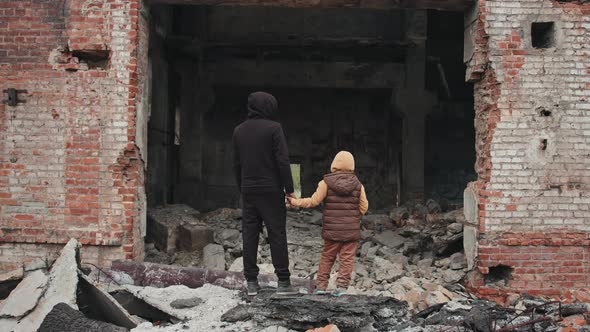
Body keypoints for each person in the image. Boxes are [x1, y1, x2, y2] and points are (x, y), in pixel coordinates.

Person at [233, 91, 298, 296]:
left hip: (248, 191)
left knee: (250, 235)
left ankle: (251, 283)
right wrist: (289, 189)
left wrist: (242, 187)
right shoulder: (274, 128)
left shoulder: (239, 131)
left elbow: (236, 164)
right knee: (277, 234)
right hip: (271, 191)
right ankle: (284, 283)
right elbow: (282, 161)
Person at [288, 151, 368, 296]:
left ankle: (321, 287)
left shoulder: (325, 183)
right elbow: (364, 207)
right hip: (351, 231)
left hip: (332, 230)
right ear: (352, 166)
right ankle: (342, 288)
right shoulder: (358, 185)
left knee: (327, 257)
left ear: (334, 165)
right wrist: (353, 218)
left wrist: (295, 201)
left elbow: (313, 201)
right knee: (347, 259)